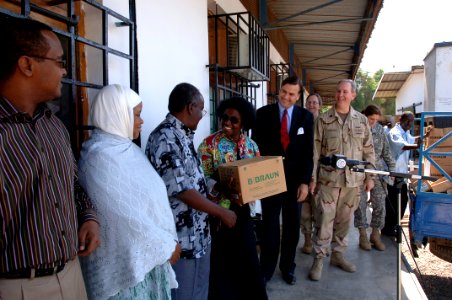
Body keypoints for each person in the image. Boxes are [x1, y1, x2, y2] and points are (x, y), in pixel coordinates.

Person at [0, 17, 100, 299]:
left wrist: (88, 216)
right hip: (18, 287)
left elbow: (72, 183)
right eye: (59, 62)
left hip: (71, 275)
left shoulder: (53, 125)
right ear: (27, 65)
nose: (65, 71)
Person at [78, 84, 181, 299]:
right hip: (128, 273)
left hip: (151, 264)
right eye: (136, 115)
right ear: (116, 114)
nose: (141, 121)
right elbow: (122, 215)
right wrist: (163, 246)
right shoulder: (99, 157)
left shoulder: (129, 150)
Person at [146, 83, 237, 300]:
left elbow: (193, 180)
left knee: (199, 293)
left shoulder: (183, 135)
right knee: (184, 295)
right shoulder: (165, 138)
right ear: (190, 107)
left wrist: (216, 192)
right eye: (201, 110)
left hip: (199, 237)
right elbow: (183, 190)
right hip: (182, 241)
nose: (202, 116)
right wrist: (220, 212)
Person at [198, 97, 268, 300]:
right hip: (219, 213)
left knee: (248, 258)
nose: (227, 123)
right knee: (221, 263)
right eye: (224, 118)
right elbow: (202, 180)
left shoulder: (252, 146)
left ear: (243, 123)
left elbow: (257, 177)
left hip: (244, 212)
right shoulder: (209, 145)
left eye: (233, 120)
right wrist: (222, 185)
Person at [308, 79, 375, 281]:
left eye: (345, 92)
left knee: (345, 222)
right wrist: (312, 178)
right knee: (324, 220)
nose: (341, 95)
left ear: (353, 95)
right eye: (338, 91)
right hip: (328, 181)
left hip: (352, 182)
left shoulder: (362, 121)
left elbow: (368, 150)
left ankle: (337, 255)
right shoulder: (323, 119)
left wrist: (370, 176)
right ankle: (319, 259)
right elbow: (314, 152)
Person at [253, 76, 314, 285]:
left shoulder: (305, 117)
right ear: (279, 90)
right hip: (269, 180)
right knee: (269, 229)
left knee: (291, 228)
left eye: (291, 94)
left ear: (298, 96)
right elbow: (256, 150)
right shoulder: (262, 114)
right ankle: (266, 269)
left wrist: (305, 182)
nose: (286, 97)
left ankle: (288, 267)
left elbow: (308, 153)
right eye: (284, 92)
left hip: (295, 184)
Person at [353, 104, 395, 251]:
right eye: (371, 119)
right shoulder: (356, 127)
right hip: (359, 171)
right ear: (365, 115)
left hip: (377, 173)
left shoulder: (379, 130)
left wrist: (393, 170)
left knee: (380, 204)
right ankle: (363, 235)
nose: (373, 122)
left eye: (376, 120)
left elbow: (387, 152)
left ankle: (375, 234)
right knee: (360, 205)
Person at [382, 111, 424, 237]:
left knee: (402, 201)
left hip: (401, 174)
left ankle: (393, 226)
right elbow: (403, 146)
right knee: (393, 203)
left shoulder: (405, 131)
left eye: (411, 122)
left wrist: (422, 137)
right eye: (408, 121)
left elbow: (410, 139)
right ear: (401, 120)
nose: (410, 124)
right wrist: (416, 145)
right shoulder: (394, 132)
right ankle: (388, 229)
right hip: (393, 173)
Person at [300, 93, 322, 254]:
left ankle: (320, 242)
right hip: (303, 173)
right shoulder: (300, 121)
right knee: (305, 211)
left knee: (321, 211)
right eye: (309, 102)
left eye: (315, 103)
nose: (312, 105)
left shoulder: (325, 123)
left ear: (320, 106)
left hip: (322, 175)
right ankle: (307, 240)